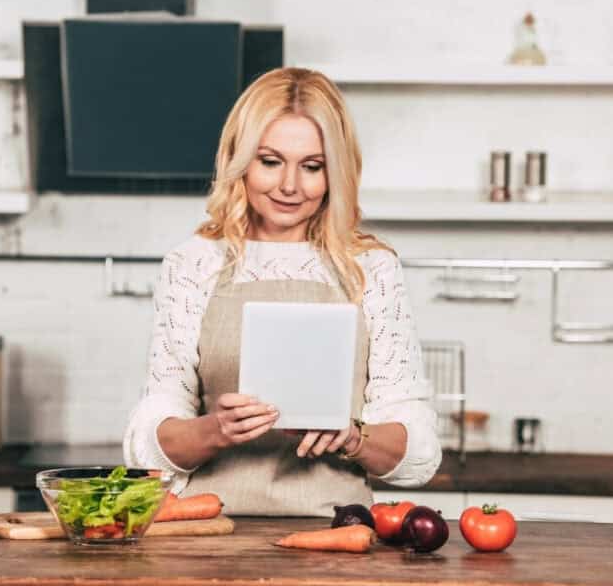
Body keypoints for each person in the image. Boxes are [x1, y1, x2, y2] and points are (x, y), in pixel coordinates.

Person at [123, 67, 441, 516]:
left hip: (338, 531)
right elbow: (145, 446)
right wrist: (217, 430)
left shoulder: (372, 268)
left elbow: (419, 453)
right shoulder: (195, 263)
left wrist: (353, 438)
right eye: (270, 161)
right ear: (240, 160)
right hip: (208, 531)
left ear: (336, 173)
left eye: (312, 167)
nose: (290, 186)